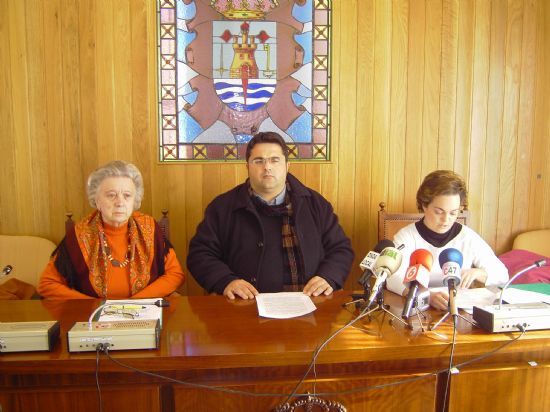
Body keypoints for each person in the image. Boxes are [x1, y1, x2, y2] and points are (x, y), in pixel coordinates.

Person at [187, 132, 354, 300]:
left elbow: (341, 249)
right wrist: (226, 281)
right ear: (247, 166)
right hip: (245, 308)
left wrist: (328, 276)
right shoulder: (222, 207)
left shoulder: (315, 204)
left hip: (311, 304)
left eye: (275, 160)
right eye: (258, 161)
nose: (267, 167)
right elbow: (199, 254)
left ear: (287, 165)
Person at [38, 161, 185, 299]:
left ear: (135, 200)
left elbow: (175, 274)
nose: (120, 202)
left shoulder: (150, 228)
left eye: (127, 195)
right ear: (96, 200)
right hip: (93, 318)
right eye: (111, 195)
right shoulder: (80, 234)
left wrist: (136, 302)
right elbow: (47, 284)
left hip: (144, 313)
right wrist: (91, 305)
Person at [385, 170, 508, 310]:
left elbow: (502, 274)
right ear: (424, 205)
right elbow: (392, 277)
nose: (446, 219)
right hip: (416, 311)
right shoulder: (407, 236)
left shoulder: (467, 237)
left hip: (459, 312)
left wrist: (479, 273)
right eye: (439, 212)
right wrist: (426, 296)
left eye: (453, 213)